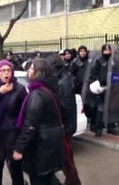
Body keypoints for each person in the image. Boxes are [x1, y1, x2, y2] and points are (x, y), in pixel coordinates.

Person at [13, 58, 64, 185]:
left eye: (31, 69)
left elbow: (30, 125)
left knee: (39, 179)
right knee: (49, 178)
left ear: (38, 73)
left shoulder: (37, 94)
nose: (28, 72)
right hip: (51, 145)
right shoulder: (50, 90)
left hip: (40, 148)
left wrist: (19, 148)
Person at [0, 60, 27, 185]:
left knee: (16, 173)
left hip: (13, 136)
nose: (6, 73)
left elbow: (25, 113)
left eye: (8, 70)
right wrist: (0, 93)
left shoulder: (19, 89)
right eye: (3, 70)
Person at [47, 55, 81, 185]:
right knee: (65, 160)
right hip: (65, 126)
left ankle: (73, 183)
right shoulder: (61, 78)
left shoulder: (63, 82)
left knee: (66, 161)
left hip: (64, 128)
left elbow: (64, 108)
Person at [87, 44, 113, 137]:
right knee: (100, 109)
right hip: (101, 87)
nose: (107, 52)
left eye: (108, 50)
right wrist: (98, 82)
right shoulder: (99, 60)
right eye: (105, 50)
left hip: (112, 87)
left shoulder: (113, 60)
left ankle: (111, 127)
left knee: (111, 108)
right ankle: (98, 129)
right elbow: (93, 73)